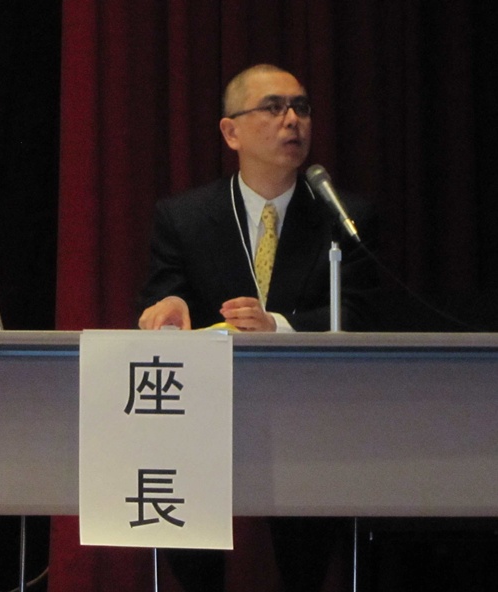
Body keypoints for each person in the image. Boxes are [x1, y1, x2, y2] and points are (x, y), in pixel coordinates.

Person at [139, 64, 377, 591]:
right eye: (274, 107)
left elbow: (361, 314)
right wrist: (168, 307)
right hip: (207, 410)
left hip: (308, 413)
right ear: (231, 132)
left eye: (301, 108)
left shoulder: (342, 216)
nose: (292, 120)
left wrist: (279, 327)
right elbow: (162, 296)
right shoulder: (185, 216)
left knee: (307, 558)